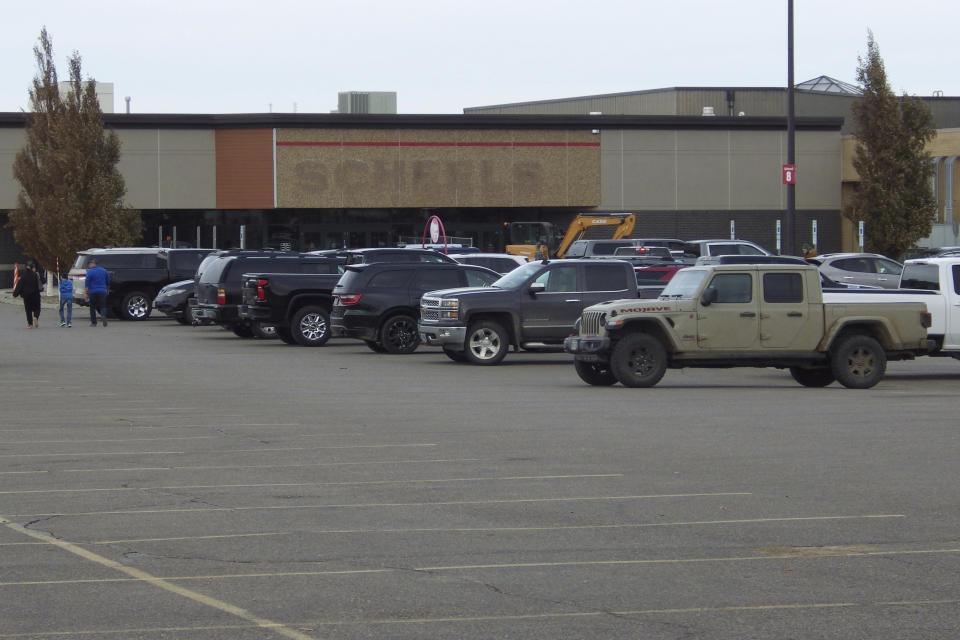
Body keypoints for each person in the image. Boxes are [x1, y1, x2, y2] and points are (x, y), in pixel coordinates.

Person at [12, 262, 42, 328]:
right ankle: (35, 317)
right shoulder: (35, 275)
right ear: (32, 268)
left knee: (28, 310)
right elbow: (40, 284)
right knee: (37, 308)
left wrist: (15, 294)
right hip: (36, 295)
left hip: (26, 296)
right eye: (34, 268)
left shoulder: (23, 276)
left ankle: (30, 324)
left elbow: (19, 286)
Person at [84, 258, 110, 327]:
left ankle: (94, 323)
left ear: (93, 264)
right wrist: (107, 290)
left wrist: (86, 293)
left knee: (92, 307)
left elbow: (87, 283)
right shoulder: (104, 271)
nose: (89, 266)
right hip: (102, 291)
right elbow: (108, 282)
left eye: (89, 264)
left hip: (92, 292)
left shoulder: (90, 272)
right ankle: (103, 315)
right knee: (103, 305)